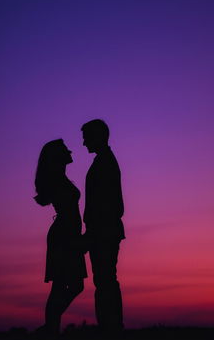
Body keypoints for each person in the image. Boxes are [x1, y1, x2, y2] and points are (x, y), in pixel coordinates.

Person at [34, 139, 87, 337]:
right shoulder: (57, 180)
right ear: (58, 156)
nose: (70, 152)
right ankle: (50, 328)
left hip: (67, 234)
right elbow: (68, 212)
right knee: (65, 285)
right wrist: (75, 238)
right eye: (66, 150)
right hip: (64, 235)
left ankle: (50, 327)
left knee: (68, 285)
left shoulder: (61, 179)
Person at [81, 119, 125, 335]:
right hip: (103, 231)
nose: (83, 143)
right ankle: (110, 327)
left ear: (98, 136)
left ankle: (111, 329)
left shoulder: (105, 163)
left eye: (86, 138)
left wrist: (93, 232)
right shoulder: (104, 161)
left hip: (103, 232)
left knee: (105, 280)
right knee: (105, 279)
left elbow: (109, 204)